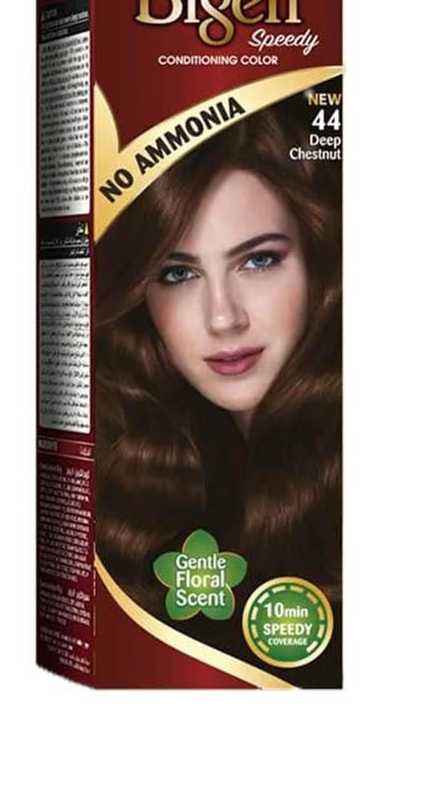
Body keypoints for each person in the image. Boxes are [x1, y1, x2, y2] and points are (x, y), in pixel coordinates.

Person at [94, 105, 341, 676]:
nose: (223, 318)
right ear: (141, 298)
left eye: (258, 260)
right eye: (178, 274)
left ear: (318, 263)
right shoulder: (138, 479)